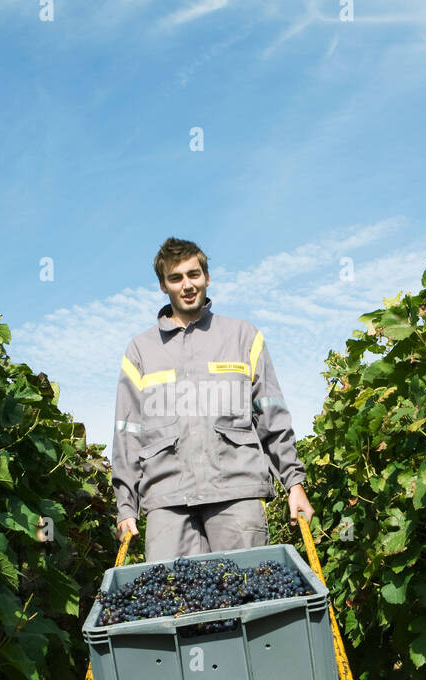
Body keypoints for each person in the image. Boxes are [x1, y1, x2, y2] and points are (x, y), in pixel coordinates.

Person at [111, 237, 314, 562]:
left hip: (237, 492)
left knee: (245, 597)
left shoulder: (242, 336)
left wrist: (295, 483)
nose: (187, 285)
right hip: (167, 499)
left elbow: (270, 414)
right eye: (176, 278)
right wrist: (126, 506)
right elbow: (127, 432)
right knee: (174, 602)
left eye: (194, 275)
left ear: (207, 277)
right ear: (164, 286)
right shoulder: (140, 351)